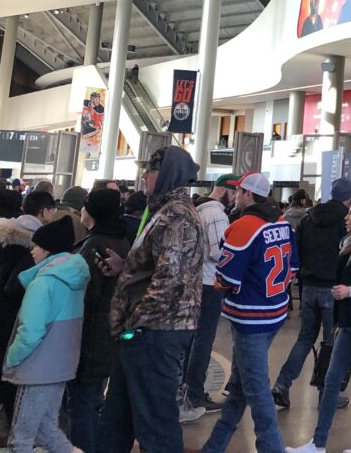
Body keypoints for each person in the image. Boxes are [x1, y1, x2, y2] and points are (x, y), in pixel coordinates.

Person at [96, 146, 205, 453]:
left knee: (154, 423)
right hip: (146, 332)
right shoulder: (163, 211)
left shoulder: (177, 215)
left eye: (151, 169)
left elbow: (170, 279)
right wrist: (126, 266)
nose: (144, 175)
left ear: (168, 173)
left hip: (154, 332)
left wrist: (136, 323)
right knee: (117, 419)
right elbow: (160, 267)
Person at [198, 172, 296, 453]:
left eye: (239, 190)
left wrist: (220, 284)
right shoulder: (283, 224)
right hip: (274, 312)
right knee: (241, 386)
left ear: (248, 194)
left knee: (257, 390)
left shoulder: (243, 227)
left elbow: (227, 277)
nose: (236, 195)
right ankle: (214, 446)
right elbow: (293, 268)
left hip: (249, 317)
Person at [286, 197, 351, 453]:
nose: (346, 217)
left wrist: (349, 291)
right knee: (331, 381)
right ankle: (318, 443)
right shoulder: (348, 245)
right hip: (348, 322)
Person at [0, 189, 58, 453]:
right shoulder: (30, 246)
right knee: (0, 387)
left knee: (2, 387)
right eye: (51, 210)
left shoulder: (2, 238)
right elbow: (15, 285)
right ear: (43, 212)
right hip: (13, 323)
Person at [3, 215, 90, 453]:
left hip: (37, 367)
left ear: (48, 250)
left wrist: (12, 358)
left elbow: (31, 331)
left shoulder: (43, 284)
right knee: (46, 429)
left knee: (21, 437)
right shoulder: (74, 278)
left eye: (37, 246)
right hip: (61, 364)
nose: (33, 251)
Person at [273, 177, 351, 410]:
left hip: (308, 285)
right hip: (332, 287)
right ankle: (327, 394)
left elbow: (298, 249)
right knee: (331, 342)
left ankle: (281, 385)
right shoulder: (345, 222)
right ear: (348, 197)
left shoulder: (309, 218)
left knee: (305, 338)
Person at [66, 188, 130, 453]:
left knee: (81, 403)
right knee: (93, 400)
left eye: (85, 206)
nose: (81, 211)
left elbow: (87, 294)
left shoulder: (95, 246)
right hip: (112, 333)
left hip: (91, 335)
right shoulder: (123, 242)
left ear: (92, 211)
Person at [182, 174, 241, 419]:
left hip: (195, 281)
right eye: (235, 191)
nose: (237, 196)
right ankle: (195, 393)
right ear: (225, 190)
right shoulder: (217, 214)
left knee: (193, 339)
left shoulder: (199, 210)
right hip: (209, 283)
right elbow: (219, 253)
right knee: (203, 340)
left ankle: (187, 389)